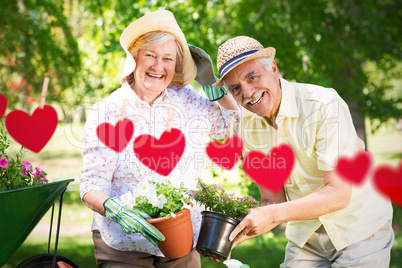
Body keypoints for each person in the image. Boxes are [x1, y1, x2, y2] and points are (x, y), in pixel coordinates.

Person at [212, 36, 394, 267]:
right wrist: (233, 234)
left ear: (274, 69)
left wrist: (273, 214)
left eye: (253, 77)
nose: (248, 93)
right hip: (306, 237)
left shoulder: (323, 105)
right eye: (236, 88)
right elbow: (272, 201)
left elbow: (339, 193)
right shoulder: (247, 127)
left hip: (359, 227)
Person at [80, 9, 239, 268]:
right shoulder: (108, 111)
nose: (158, 66)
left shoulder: (189, 102)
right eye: (150, 55)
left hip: (181, 238)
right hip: (123, 241)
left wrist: (212, 83)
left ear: (176, 65)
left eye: (167, 58)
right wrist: (115, 210)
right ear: (134, 58)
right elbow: (91, 185)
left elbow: (235, 127)